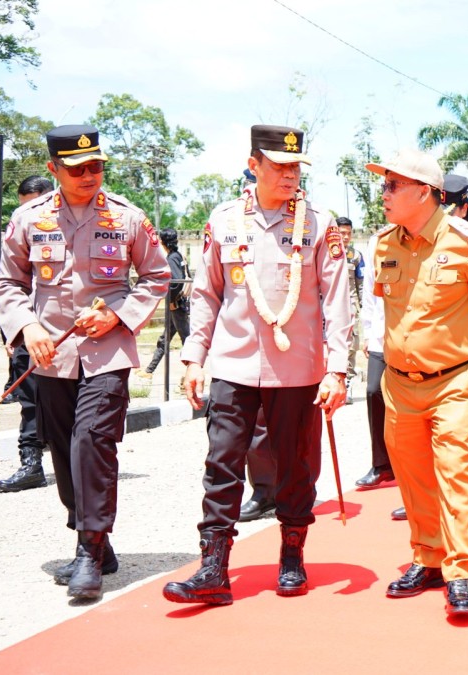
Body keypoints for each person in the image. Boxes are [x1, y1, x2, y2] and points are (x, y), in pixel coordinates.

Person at [163, 124, 351, 606]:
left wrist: (337, 369)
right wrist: (194, 357)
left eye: (296, 167)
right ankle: (213, 568)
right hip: (233, 363)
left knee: (295, 466)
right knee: (221, 461)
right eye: (280, 166)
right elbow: (205, 294)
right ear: (254, 165)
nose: (290, 175)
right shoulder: (224, 219)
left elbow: (336, 300)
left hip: (298, 369)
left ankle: (292, 556)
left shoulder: (318, 223)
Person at [0, 125, 171, 600]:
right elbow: (8, 282)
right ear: (54, 170)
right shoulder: (29, 218)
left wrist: (118, 314)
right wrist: (27, 328)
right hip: (50, 353)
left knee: (93, 443)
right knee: (62, 449)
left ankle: (89, 551)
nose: (90, 175)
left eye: (96, 166)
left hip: (107, 352)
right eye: (78, 169)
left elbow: (156, 276)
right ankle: (94, 535)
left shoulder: (128, 218)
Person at [367, 148, 468, 616]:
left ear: (424, 193)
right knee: (412, 478)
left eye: (393, 185)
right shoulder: (385, 243)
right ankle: (426, 557)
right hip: (400, 384)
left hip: (454, 382)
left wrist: (463, 338)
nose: (384, 193)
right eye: (384, 185)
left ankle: (458, 571)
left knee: (453, 473)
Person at [0, 175, 54, 492]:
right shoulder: (18, 232)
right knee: (30, 401)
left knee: (79, 403)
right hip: (28, 329)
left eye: (33, 206)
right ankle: (31, 465)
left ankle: (81, 465)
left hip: (69, 333)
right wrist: (15, 331)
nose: (26, 214)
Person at [353, 227, 394, 491]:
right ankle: (382, 464)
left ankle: (415, 469)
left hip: (417, 339)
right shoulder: (380, 239)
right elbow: (369, 288)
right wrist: (368, 331)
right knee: (373, 391)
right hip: (382, 334)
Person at [138, 228, 191, 381]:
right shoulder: (178, 256)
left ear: (162, 242)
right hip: (177, 305)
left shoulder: (172, 258)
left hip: (176, 306)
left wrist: (172, 301)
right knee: (165, 339)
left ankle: (190, 375)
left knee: (186, 340)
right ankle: (149, 370)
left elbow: (176, 282)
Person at [337, 216, 363, 404]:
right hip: (329, 306)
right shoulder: (326, 252)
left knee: (352, 345)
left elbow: (361, 285)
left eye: (348, 233)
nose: (345, 237)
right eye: (342, 233)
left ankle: (347, 383)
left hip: (351, 305)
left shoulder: (356, 256)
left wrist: (363, 308)